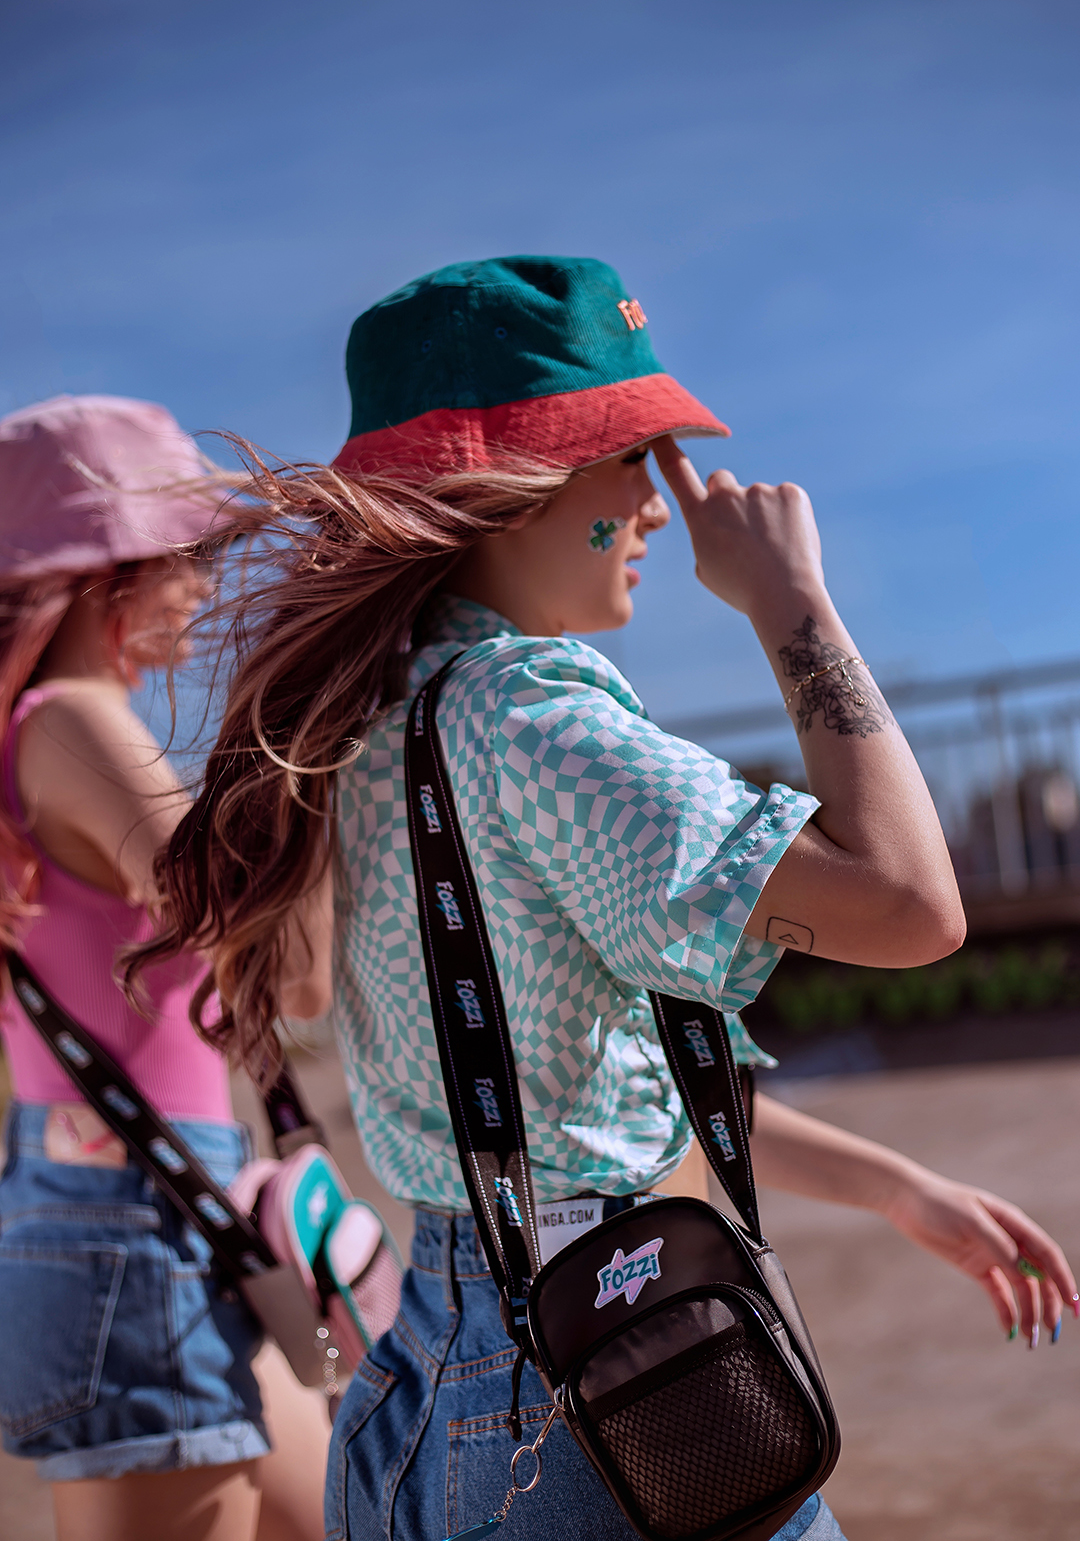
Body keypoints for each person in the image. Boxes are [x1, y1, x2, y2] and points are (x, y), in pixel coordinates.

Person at [137, 258, 1078, 1541]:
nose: (655, 506)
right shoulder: (532, 720)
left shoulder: (376, 729)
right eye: (629, 459)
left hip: (450, 1373)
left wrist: (899, 1188)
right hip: (593, 1380)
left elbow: (591, 1106)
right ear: (512, 488)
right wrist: (794, 605)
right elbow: (913, 904)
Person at [0, 396, 330, 1541]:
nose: (202, 586)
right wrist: (304, 723)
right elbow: (283, 965)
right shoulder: (74, 722)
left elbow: (280, 977)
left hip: (146, 1209)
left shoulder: (47, 729)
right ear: (107, 575)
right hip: (134, 1230)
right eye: (188, 556)